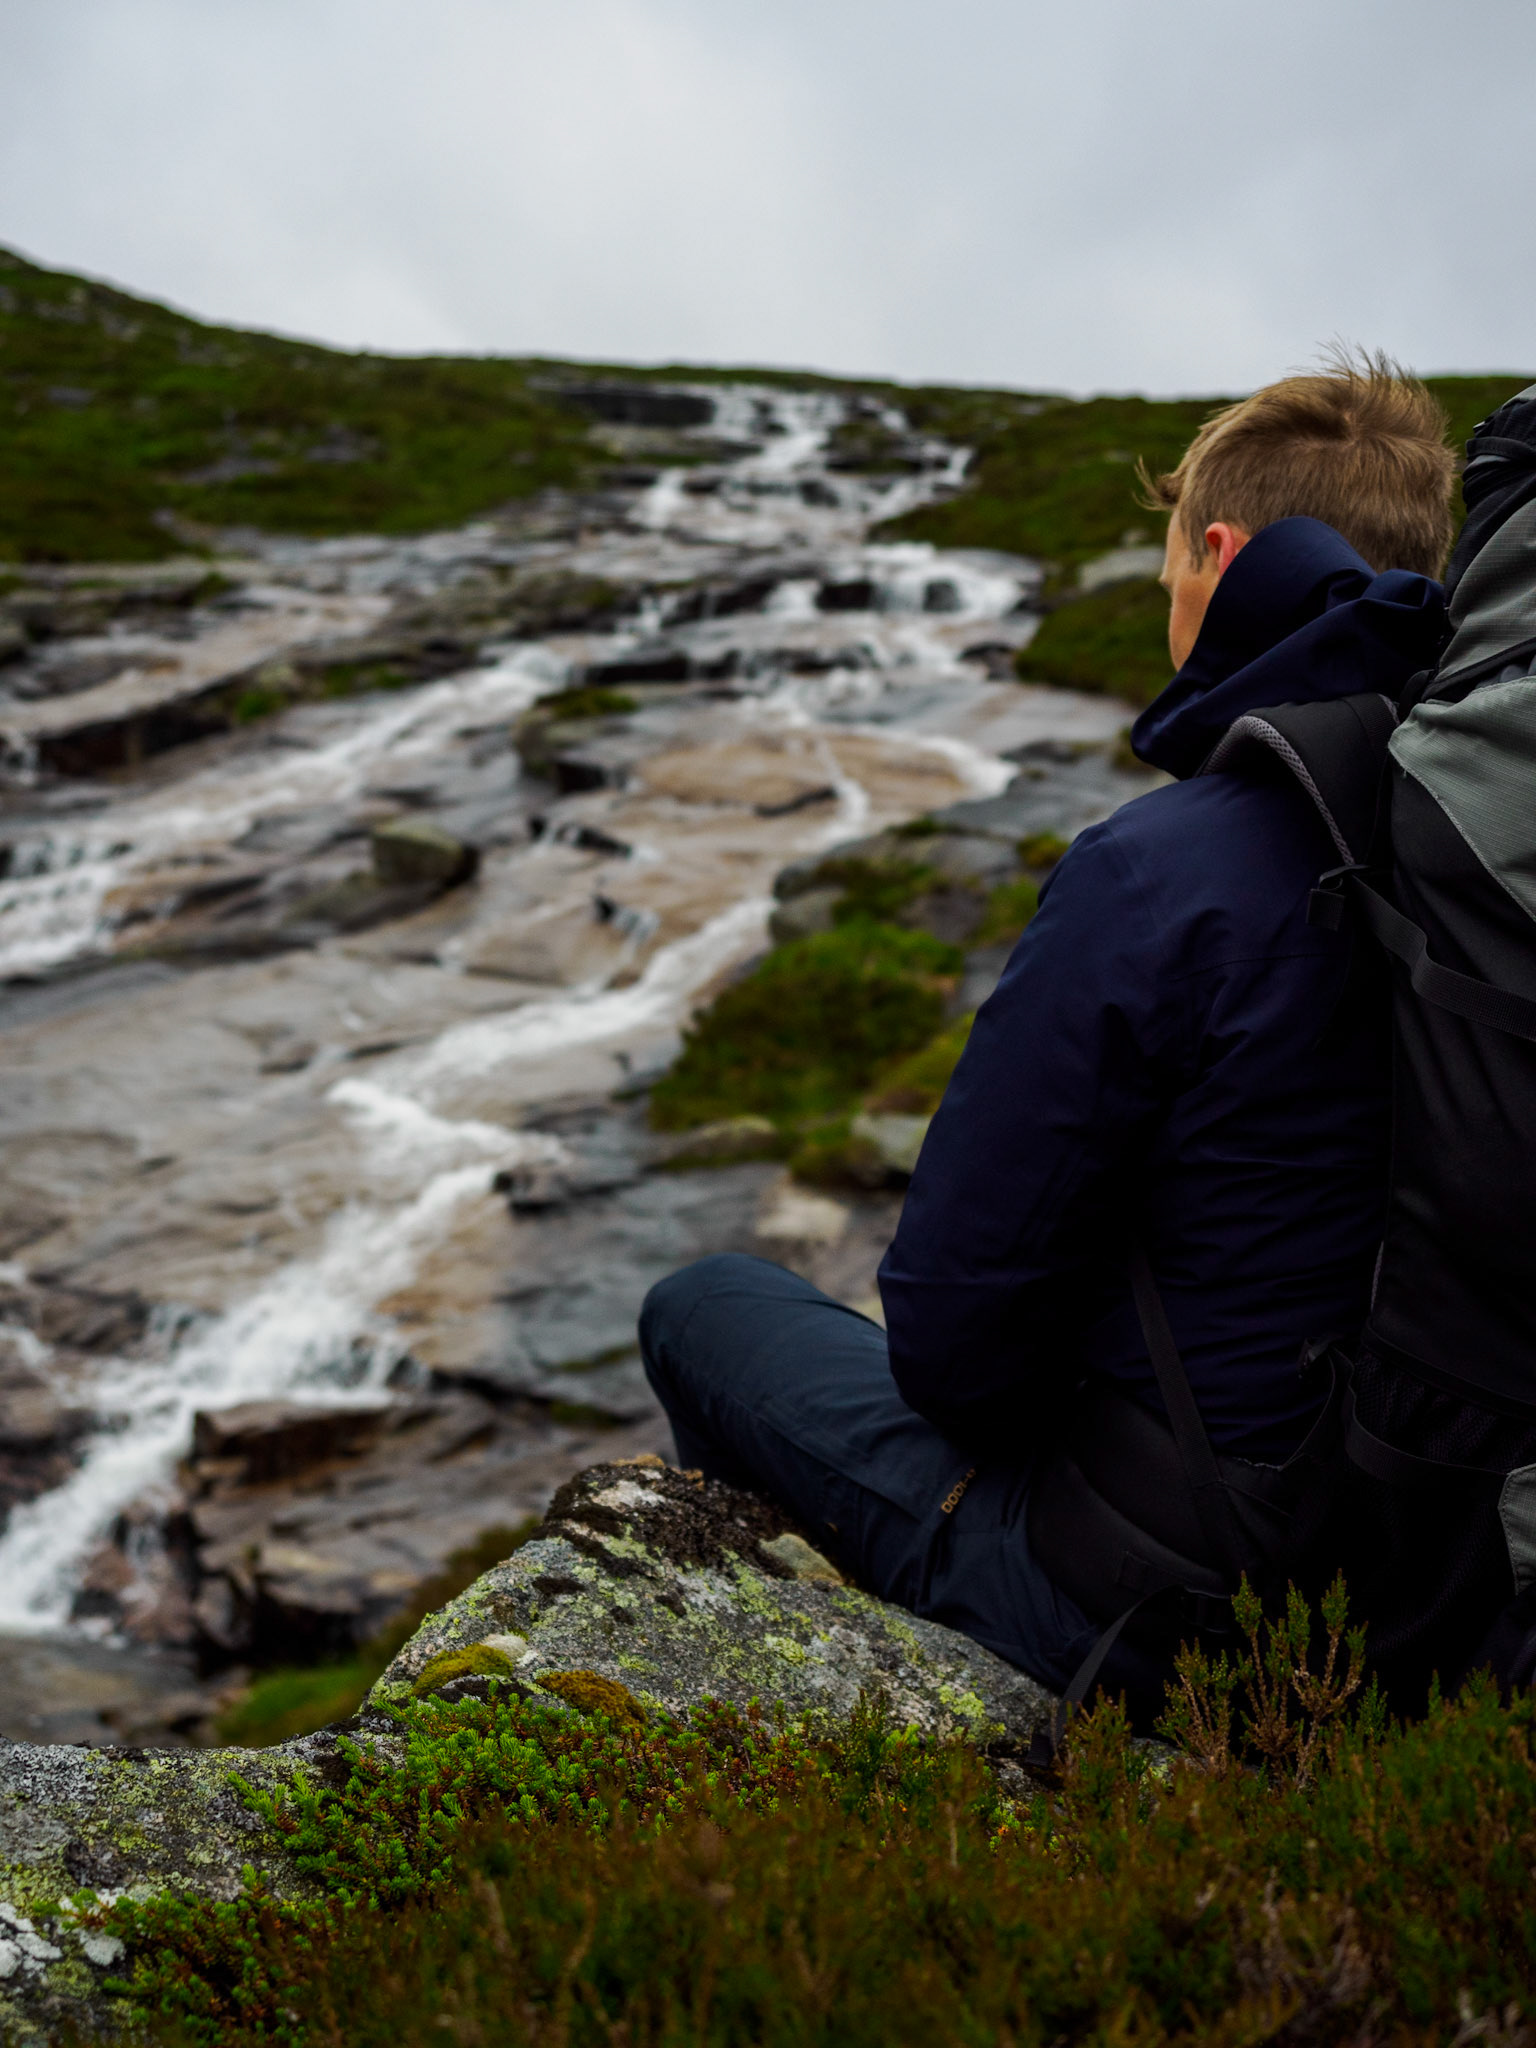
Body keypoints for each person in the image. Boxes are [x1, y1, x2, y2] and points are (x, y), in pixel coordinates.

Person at [640, 353, 1456, 1715]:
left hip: (1165, 1608)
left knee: (701, 1309)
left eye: (1166, 584)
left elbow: (952, 1340)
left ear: (1218, 556)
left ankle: (769, 1721)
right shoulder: (1487, 848)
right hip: (1439, 1593)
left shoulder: (1158, 868)